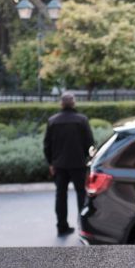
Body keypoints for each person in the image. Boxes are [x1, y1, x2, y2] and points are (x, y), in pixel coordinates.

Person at [43, 92, 95, 235]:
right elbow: (89, 143)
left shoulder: (53, 121)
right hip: (78, 164)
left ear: (61, 104)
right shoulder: (81, 120)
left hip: (59, 165)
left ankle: (61, 226)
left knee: (60, 195)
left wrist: (51, 163)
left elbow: (47, 145)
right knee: (81, 195)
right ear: (74, 103)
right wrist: (88, 159)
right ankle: (83, 226)